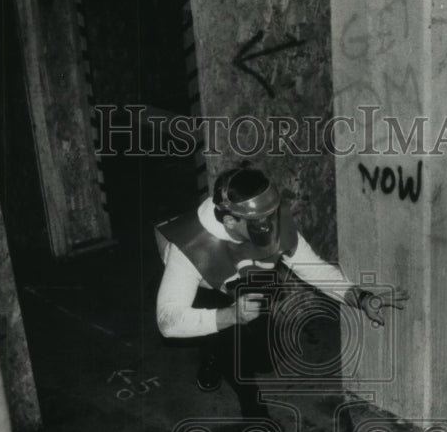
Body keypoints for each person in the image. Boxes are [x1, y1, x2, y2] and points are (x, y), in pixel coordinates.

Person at [155, 164, 408, 418]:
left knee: (263, 358)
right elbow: (168, 322)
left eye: (270, 215)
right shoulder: (189, 250)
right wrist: (230, 316)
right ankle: (247, 400)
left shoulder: (268, 217)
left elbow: (314, 270)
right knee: (229, 343)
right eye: (257, 222)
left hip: (248, 277)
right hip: (207, 287)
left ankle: (220, 346)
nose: (268, 225)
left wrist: (360, 297)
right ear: (230, 220)